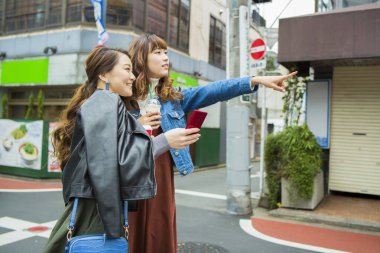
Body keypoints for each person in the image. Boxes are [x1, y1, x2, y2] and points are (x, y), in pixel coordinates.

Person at [126, 34, 297, 253]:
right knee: (131, 234)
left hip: (161, 179)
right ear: (141, 58)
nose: (165, 58)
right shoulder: (123, 99)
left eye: (166, 52)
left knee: (158, 232)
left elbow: (212, 90)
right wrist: (139, 123)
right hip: (130, 180)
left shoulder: (172, 98)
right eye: (157, 52)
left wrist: (253, 81)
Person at [43, 46, 200, 252]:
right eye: (127, 69)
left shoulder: (101, 101)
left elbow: (110, 156)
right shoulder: (106, 100)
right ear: (103, 74)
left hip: (91, 210)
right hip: (97, 215)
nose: (133, 76)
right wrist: (166, 141)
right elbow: (112, 164)